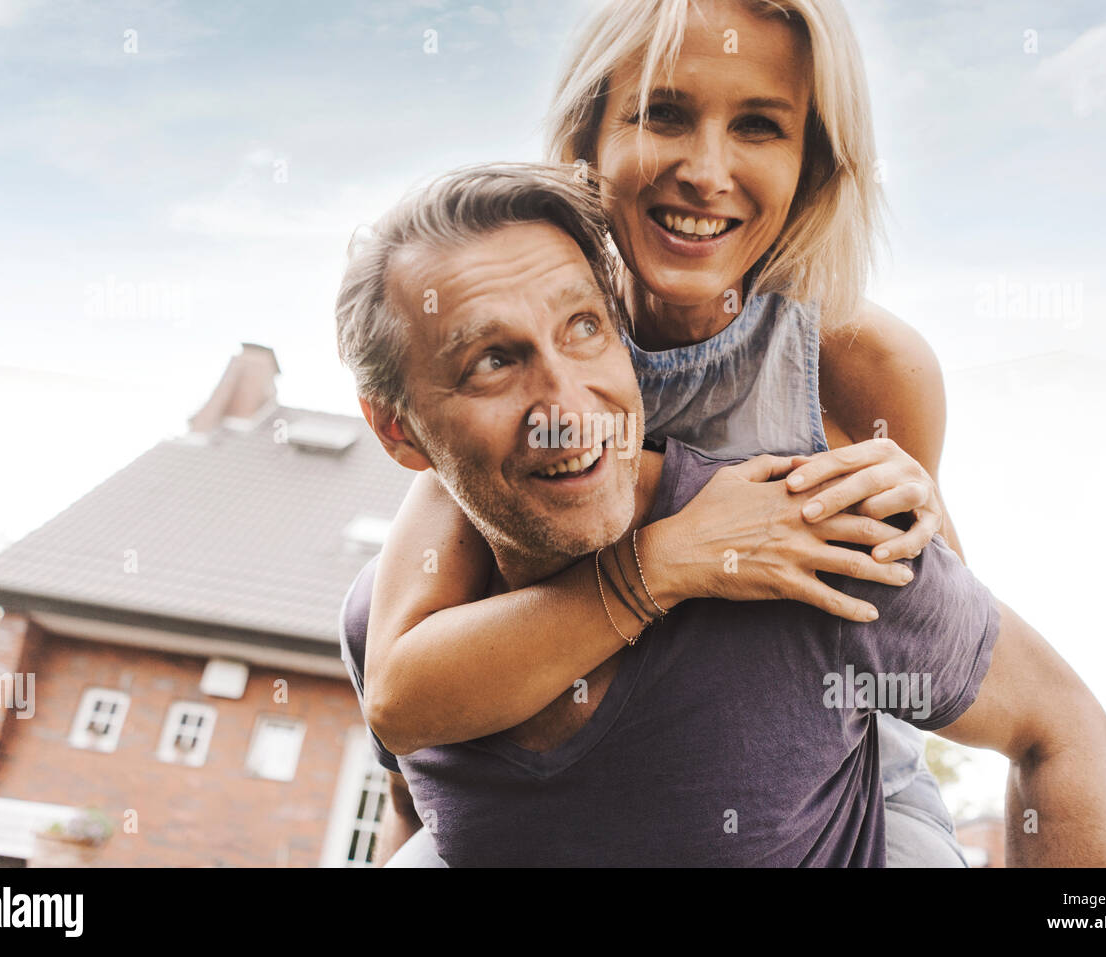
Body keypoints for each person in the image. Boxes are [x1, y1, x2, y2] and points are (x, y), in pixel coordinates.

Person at [346, 0, 992, 865]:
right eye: (664, 114)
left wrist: (916, 527)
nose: (705, 170)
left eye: (760, 125)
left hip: (837, 792)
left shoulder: (862, 365)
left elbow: (950, 648)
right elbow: (403, 694)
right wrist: (672, 558)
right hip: (571, 788)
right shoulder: (525, 366)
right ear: (589, 140)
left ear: (811, 163)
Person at [335, 164, 1106, 866]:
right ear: (398, 430)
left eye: (584, 328)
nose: (567, 411)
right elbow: (420, 801)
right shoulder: (395, 617)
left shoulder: (807, 536)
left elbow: (1063, 725)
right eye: (493, 362)